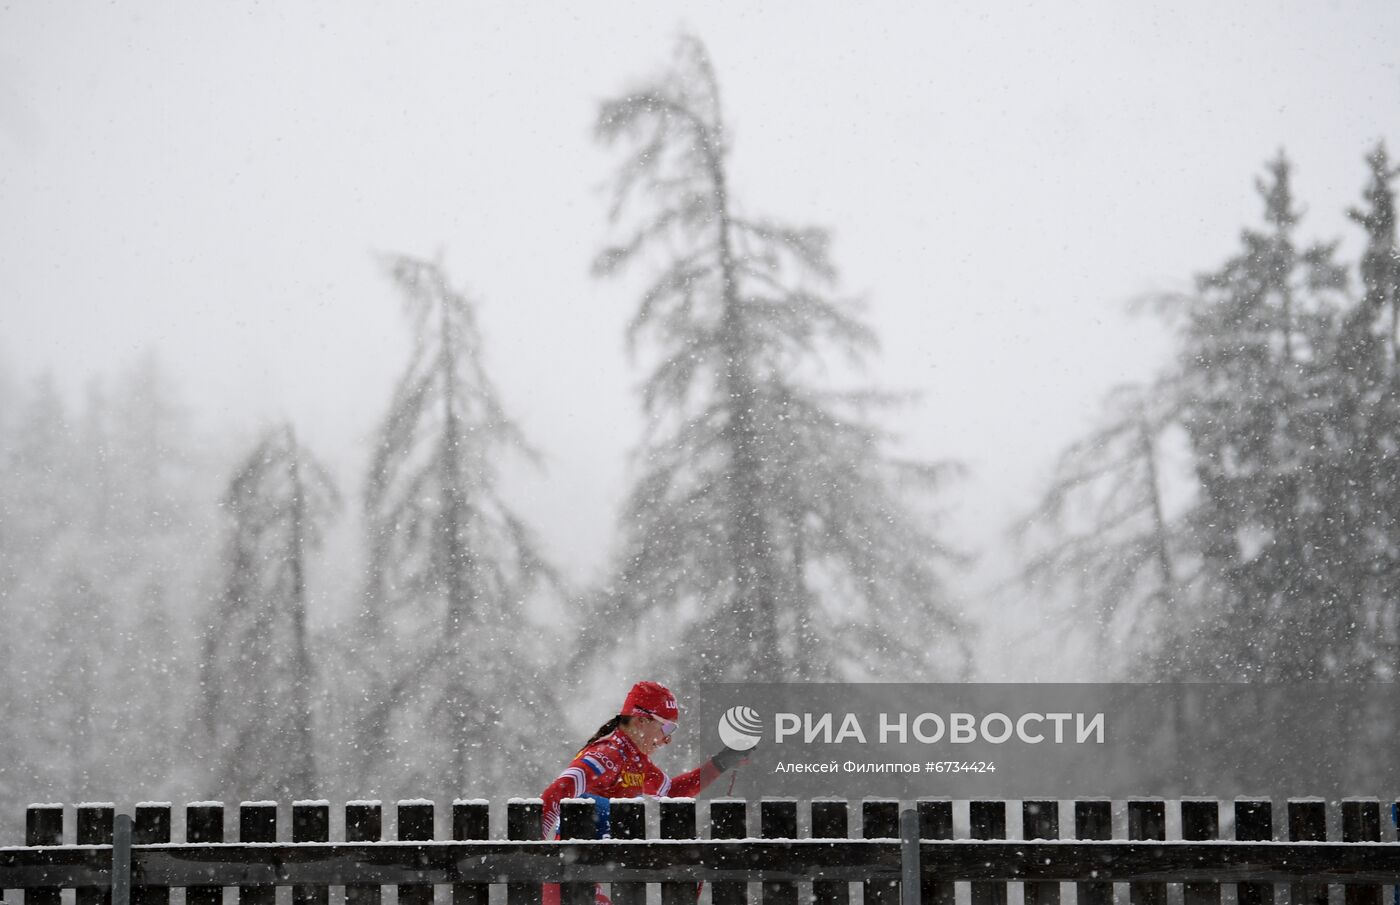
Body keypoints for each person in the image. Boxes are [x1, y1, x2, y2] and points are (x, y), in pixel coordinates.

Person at [539, 681, 748, 905]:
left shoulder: (635, 761)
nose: (668, 739)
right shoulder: (607, 755)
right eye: (667, 728)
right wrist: (534, 856)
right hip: (568, 884)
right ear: (641, 720)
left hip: (586, 881)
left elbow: (673, 791)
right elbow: (556, 793)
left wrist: (722, 762)